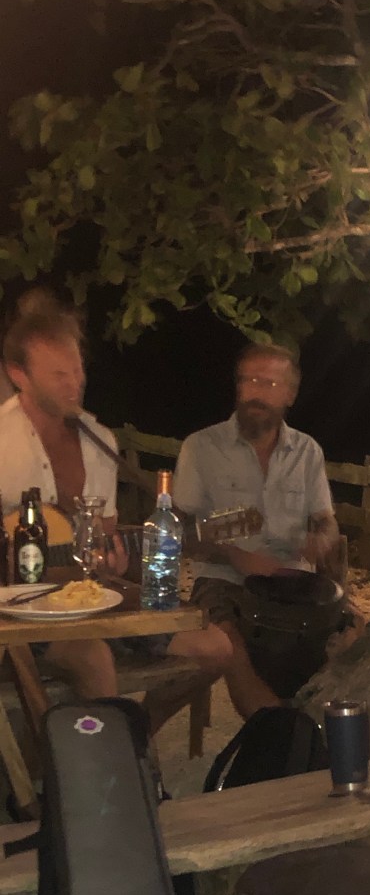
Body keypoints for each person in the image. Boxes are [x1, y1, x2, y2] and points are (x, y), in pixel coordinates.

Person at [0, 286, 230, 705]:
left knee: (214, 647)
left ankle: (139, 731)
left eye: (77, 370)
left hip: (92, 601)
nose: (74, 384)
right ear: (19, 375)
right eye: (59, 375)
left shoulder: (100, 441)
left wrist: (114, 562)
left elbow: (104, 539)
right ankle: (109, 745)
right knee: (94, 658)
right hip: (21, 618)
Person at [167, 341, 340, 721]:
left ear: (291, 394)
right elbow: (177, 530)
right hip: (222, 578)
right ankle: (275, 730)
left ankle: (317, 725)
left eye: (269, 383)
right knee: (230, 643)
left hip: (292, 580)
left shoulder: (307, 452)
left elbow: (325, 521)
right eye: (248, 380)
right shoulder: (202, 447)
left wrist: (321, 540)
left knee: (352, 634)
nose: (256, 392)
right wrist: (234, 555)